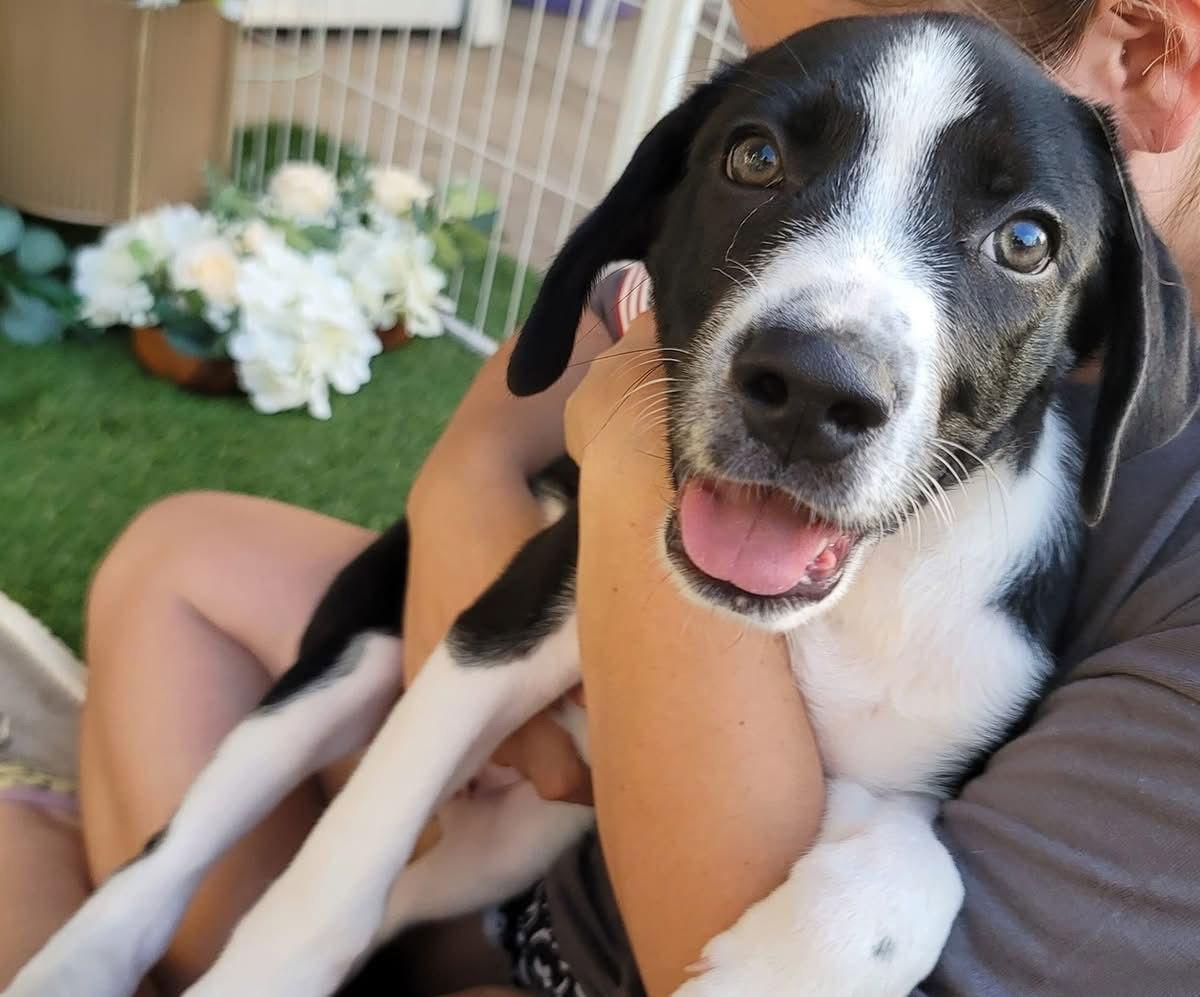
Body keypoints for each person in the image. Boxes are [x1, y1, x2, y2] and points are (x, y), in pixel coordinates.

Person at [2, 0, 1198, 992]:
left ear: (1151, 54)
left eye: (1022, 239)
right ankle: (151, 906)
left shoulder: (1066, 582)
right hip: (479, 807)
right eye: (764, 151)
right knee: (179, 552)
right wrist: (488, 497)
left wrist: (625, 464)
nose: (834, 320)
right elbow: (506, 424)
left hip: (574, 941)